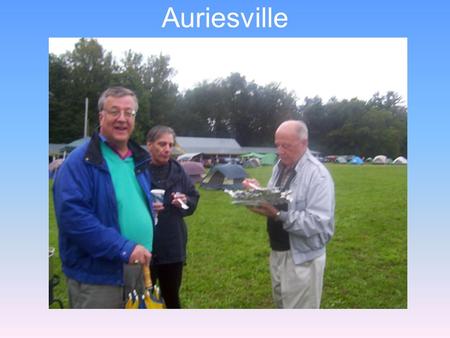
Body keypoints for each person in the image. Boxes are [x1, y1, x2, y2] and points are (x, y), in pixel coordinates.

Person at [53, 87, 155, 308]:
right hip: (98, 277)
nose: (122, 119)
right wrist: (125, 248)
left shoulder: (139, 160)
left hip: (139, 268)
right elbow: (74, 219)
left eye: (129, 113)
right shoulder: (79, 162)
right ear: (101, 116)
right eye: (114, 111)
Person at [244, 120, 335, 309]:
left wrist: (278, 214)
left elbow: (318, 222)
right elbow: (276, 197)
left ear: (304, 143)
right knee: (282, 305)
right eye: (277, 145)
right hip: (278, 251)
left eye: (286, 146)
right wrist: (257, 192)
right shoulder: (280, 166)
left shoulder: (318, 175)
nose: (280, 151)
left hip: (303, 258)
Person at [146, 125, 200, 308]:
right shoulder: (139, 171)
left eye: (170, 144)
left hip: (173, 245)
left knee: (172, 298)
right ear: (149, 145)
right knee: (144, 298)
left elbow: (194, 198)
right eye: (162, 144)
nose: (167, 149)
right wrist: (147, 205)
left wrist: (185, 202)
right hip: (145, 245)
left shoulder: (179, 171)